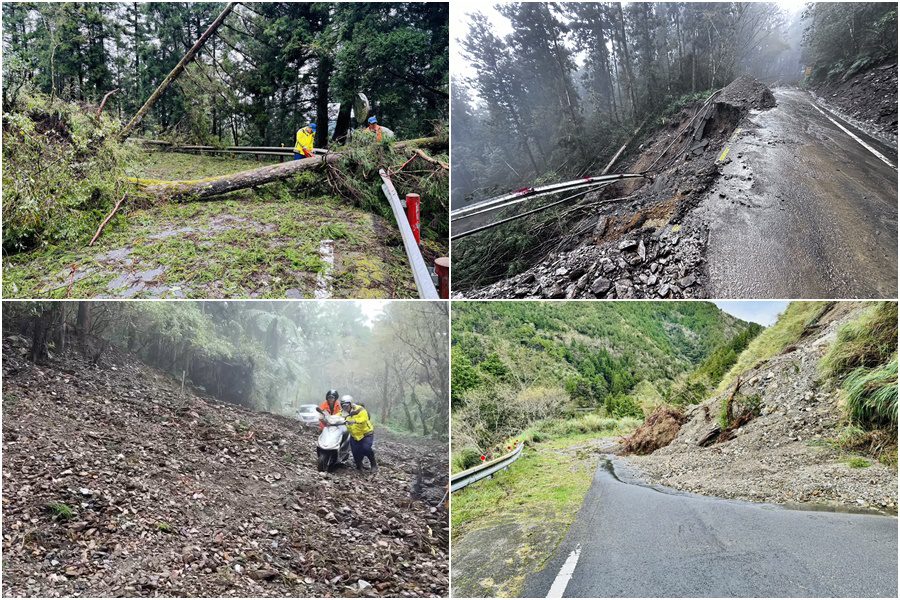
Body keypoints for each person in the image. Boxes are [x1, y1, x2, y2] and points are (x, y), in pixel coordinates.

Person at [340, 395, 376, 471]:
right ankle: (359, 465)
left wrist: (355, 421)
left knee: (366, 448)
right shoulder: (343, 413)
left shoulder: (360, 409)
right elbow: (336, 416)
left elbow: (364, 418)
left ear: (350, 404)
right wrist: (327, 418)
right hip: (354, 436)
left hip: (366, 434)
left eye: (346, 405)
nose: (345, 408)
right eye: (343, 406)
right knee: (355, 453)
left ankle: (373, 464)